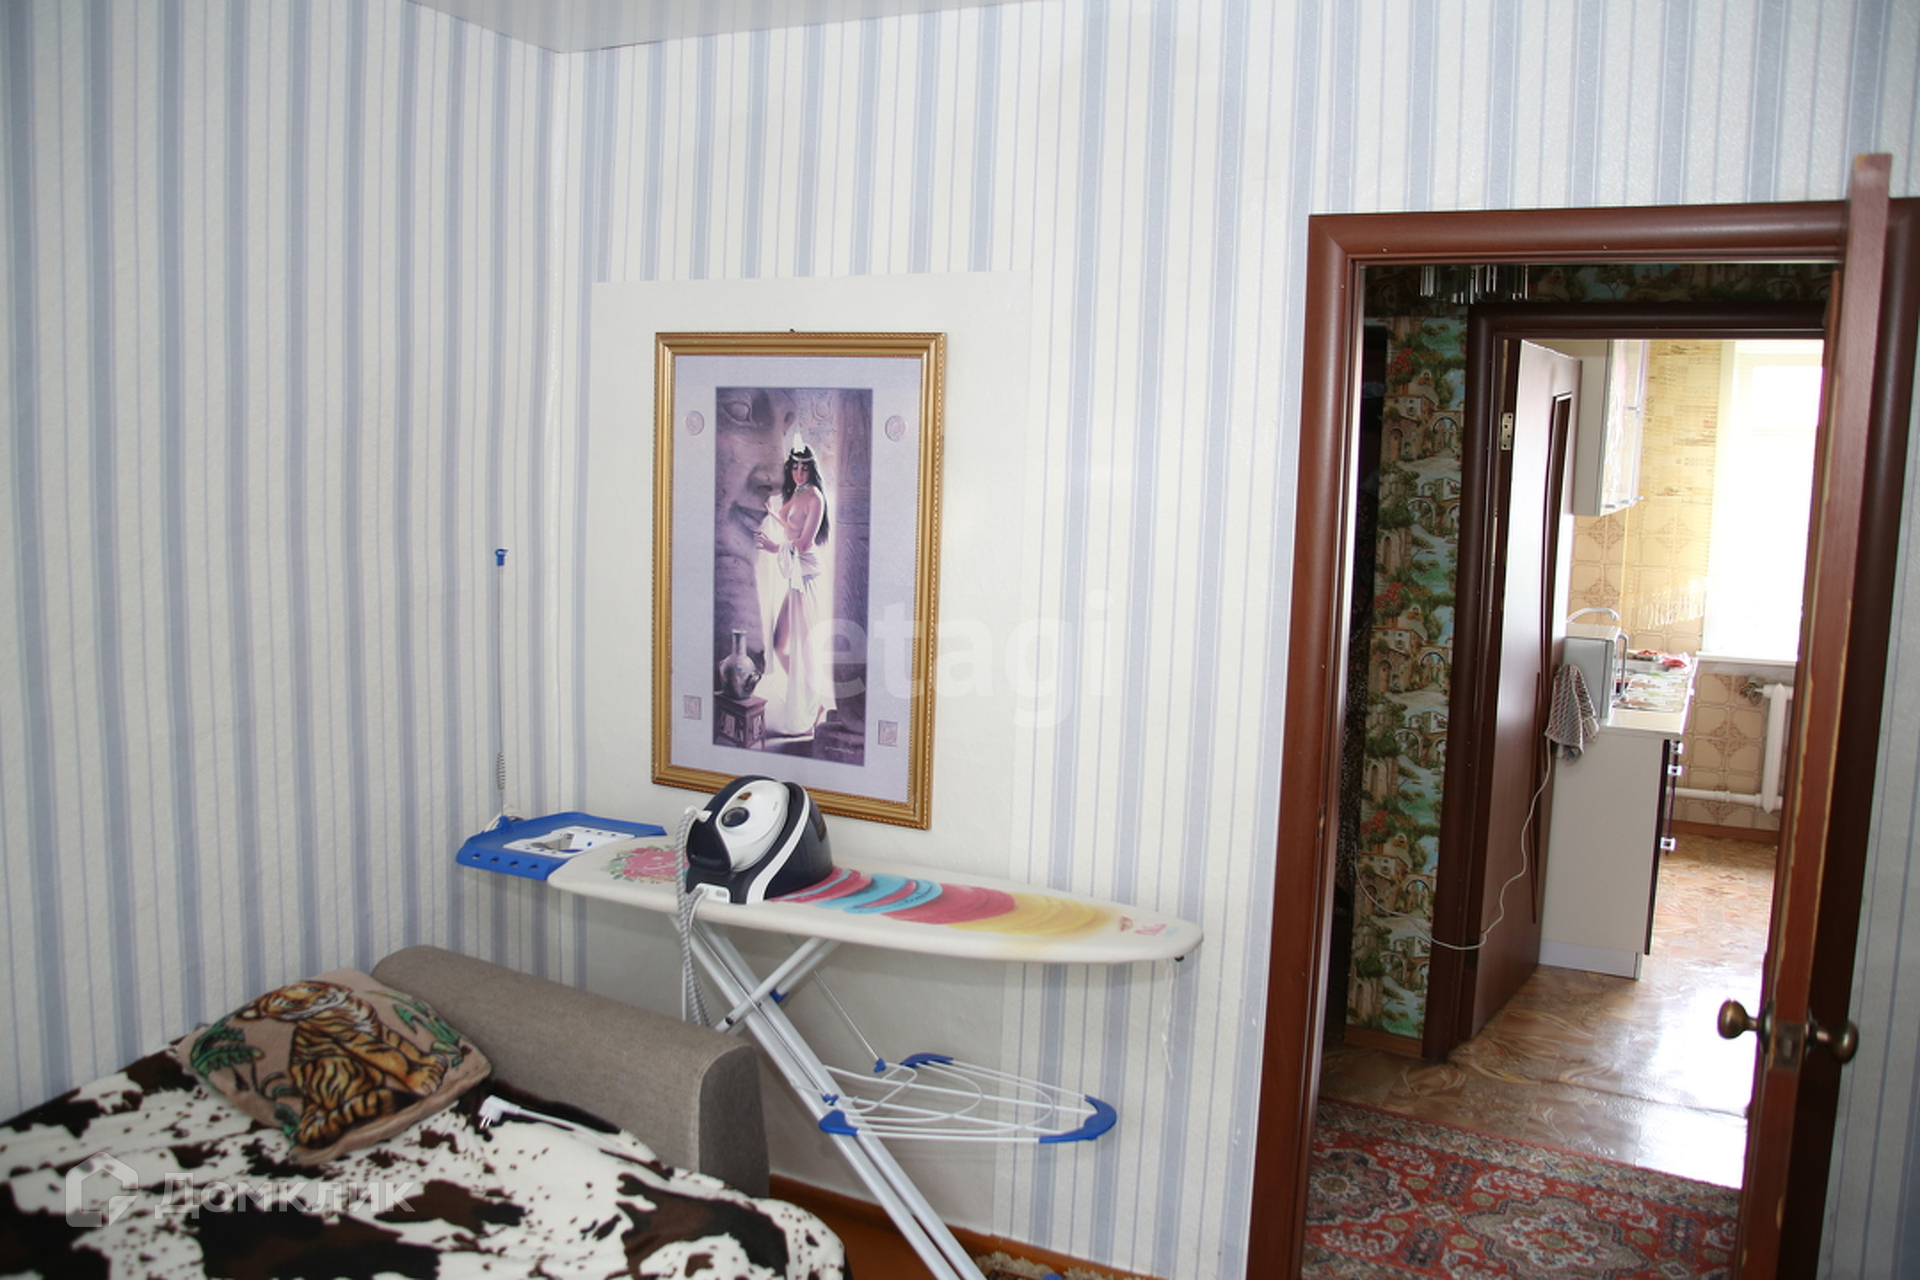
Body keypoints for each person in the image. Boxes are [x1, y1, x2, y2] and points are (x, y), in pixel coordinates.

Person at [753, 436, 836, 737]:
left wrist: (773, 548)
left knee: (807, 647)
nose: (799, 473)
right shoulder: (798, 492)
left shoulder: (815, 498)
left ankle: (816, 705)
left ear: (812, 470)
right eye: (795, 467)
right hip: (795, 576)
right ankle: (806, 698)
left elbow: (803, 543)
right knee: (779, 644)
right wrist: (769, 513)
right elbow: (787, 519)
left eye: (804, 468)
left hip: (808, 575)